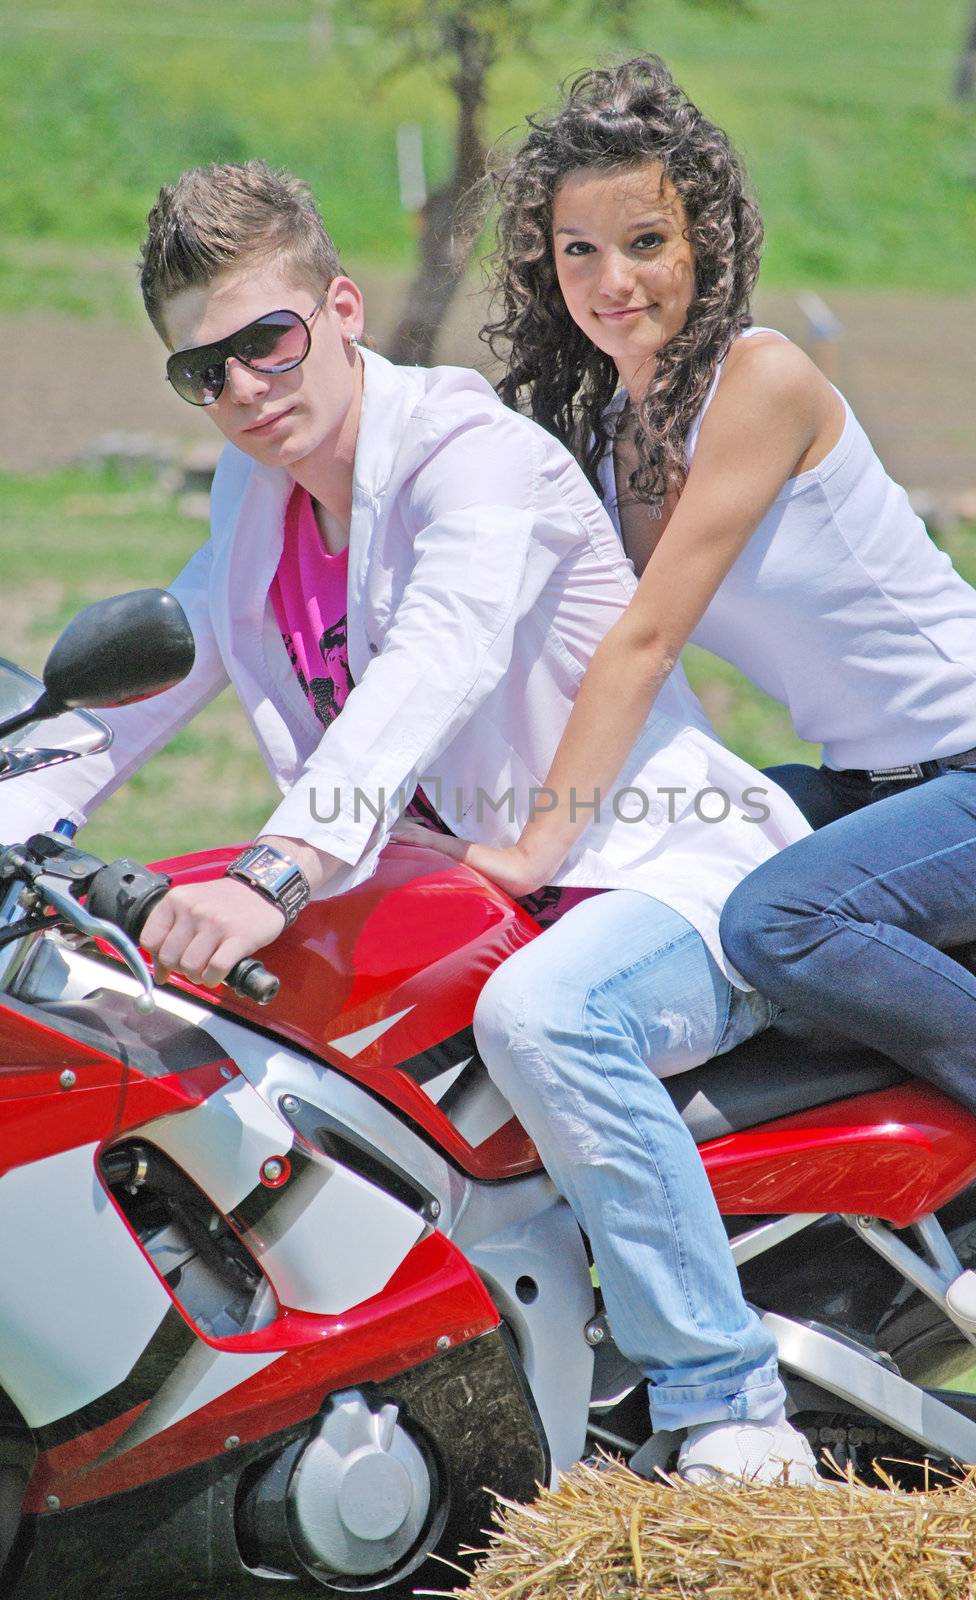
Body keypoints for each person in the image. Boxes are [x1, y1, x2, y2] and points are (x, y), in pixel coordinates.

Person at [0, 160, 824, 1484]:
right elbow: (149, 683)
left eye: (262, 340)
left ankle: (725, 1407)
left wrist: (276, 867)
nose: (242, 389)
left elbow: (431, 662)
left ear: (336, 307)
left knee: (547, 1018)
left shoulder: (469, 459)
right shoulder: (256, 499)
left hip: (659, 876)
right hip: (484, 896)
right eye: (199, 372)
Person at [401, 57, 976, 1334]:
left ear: (704, 234)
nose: (614, 283)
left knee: (777, 917)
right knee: (690, 863)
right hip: (893, 785)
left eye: (646, 241)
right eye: (580, 250)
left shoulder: (761, 382)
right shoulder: (610, 435)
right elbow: (533, 628)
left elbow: (647, 642)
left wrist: (542, 833)